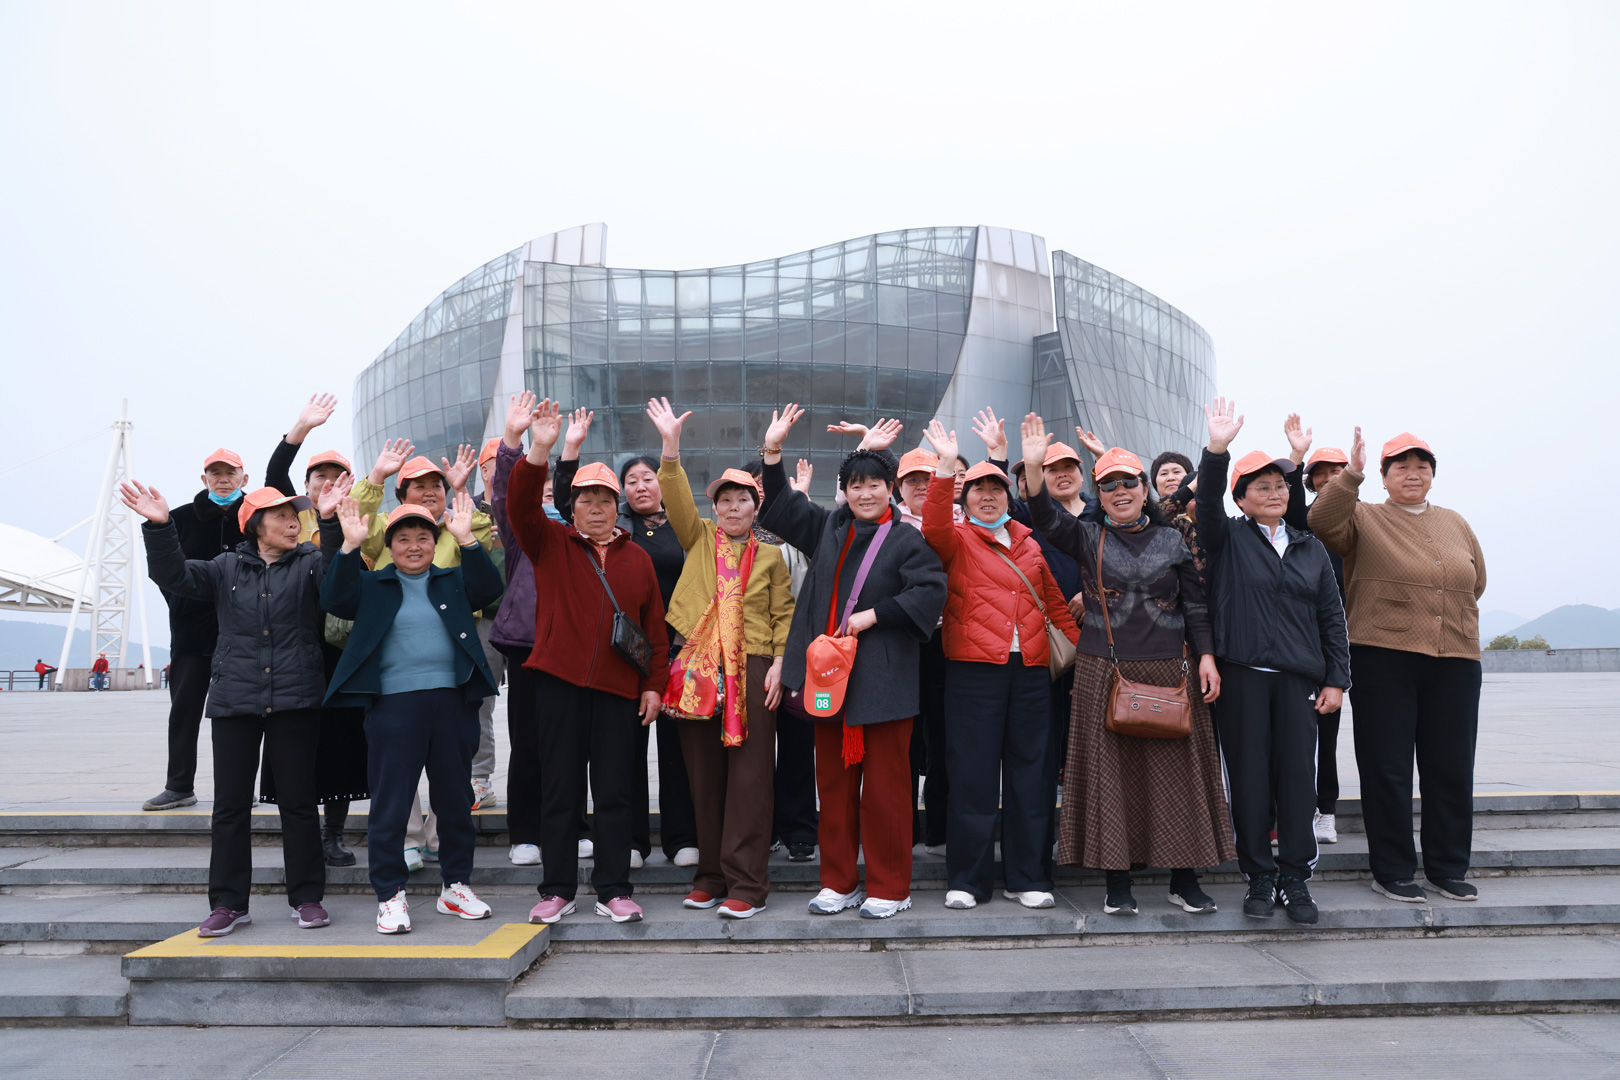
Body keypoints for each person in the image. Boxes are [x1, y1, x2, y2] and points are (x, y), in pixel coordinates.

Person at [1021, 414, 1233, 916]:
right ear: (1100, 492)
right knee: (1111, 779)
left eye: (1129, 482)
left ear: (1145, 489)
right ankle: (1118, 883)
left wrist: (1206, 657)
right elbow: (1045, 517)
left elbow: (1196, 607)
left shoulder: (1175, 540)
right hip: (1104, 671)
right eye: (1109, 484)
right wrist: (1032, 468)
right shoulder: (1086, 536)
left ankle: (1185, 879)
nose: (1120, 491)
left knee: (1178, 781)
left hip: (1170, 668)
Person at [124, 477, 341, 936]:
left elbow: (341, 583)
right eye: (281, 515)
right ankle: (228, 903)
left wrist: (330, 520)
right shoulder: (224, 568)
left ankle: (307, 898)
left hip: (296, 699)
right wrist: (161, 527)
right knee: (230, 807)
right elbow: (175, 576)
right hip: (234, 701)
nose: (291, 521)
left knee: (299, 804)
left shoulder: (311, 564)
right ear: (255, 524)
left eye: (294, 514)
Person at [759, 404, 947, 920]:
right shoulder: (828, 529)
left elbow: (932, 592)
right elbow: (779, 506)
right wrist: (772, 453)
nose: (866, 494)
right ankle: (838, 881)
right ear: (845, 490)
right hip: (830, 681)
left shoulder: (909, 538)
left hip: (884, 684)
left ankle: (891, 886)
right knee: (834, 788)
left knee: (887, 792)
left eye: (875, 484)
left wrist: (875, 616)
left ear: (890, 490)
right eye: (856, 485)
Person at [508, 400, 670, 926]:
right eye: (586, 499)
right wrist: (542, 448)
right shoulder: (550, 542)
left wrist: (654, 687)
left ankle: (614, 888)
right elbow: (519, 504)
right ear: (571, 506)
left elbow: (654, 632)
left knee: (617, 790)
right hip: (558, 684)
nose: (596, 507)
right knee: (560, 789)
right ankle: (556, 889)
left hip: (620, 688)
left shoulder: (637, 557)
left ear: (617, 505)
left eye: (605, 499)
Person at [1308, 428, 1487, 904]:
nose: (1414, 473)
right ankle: (1392, 869)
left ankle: (1448, 867)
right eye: (1401, 466)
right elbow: (1320, 521)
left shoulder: (1455, 521)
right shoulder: (1363, 516)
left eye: (1422, 465)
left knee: (1451, 767)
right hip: (1382, 656)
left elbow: (1477, 581)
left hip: (1456, 657)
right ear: (1384, 477)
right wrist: (1352, 474)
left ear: (1432, 474)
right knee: (1387, 768)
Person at [1194, 398, 1350, 925]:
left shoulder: (1310, 549)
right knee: (1249, 777)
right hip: (1241, 677)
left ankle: (1296, 878)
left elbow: (1332, 619)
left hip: (1296, 682)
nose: (1275, 492)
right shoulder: (1227, 539)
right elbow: (1208, 507)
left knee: (1297, 782)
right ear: (1242, 497)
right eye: (1261, 486)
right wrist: (1217, 450)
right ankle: (1259, 875)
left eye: (1282, 484)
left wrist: (1336, 679)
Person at [322, 491, 503, 934]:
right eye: (403, 539)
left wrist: (470, 542)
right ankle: (390, 895)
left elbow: (490, 590)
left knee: (455, 800)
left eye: (424, 537)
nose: (415, 546)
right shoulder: (373, 584)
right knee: (392, 802)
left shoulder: (452, 579)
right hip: (393, 706)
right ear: (389, 546)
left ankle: (455, 886)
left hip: (452, 703)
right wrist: (347, 547)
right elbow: (334, 598)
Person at [921, 421, 1080, 910]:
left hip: (1030, 672)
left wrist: (1084, 661)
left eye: (996, 490)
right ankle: (967, 881)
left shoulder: (1030, 543)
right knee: (972, 774)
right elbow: (932, 525)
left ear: (1009, 496)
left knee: (1032, 776)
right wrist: (947, 466)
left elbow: (1055, 607)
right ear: (965, 498)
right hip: (973, 672)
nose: (987, 497)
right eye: (978, 491)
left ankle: (1027, 877)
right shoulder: (956, 540)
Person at [649, 398, 795, 919]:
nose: (733, 509)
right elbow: (675, 497)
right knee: (703, 777)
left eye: (743, 501)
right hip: (698, 669)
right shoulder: (699, 539)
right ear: (715, 509)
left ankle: (747, 885)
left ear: (757, 507)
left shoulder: (772, 554)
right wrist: (671, 447)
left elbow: (785, 615)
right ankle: (709, 875)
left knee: (752, 778)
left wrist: (780, 664)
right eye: (725, 501)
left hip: (754, 668)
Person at [555, 437, 699, 870]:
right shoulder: (614, 531)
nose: (640, 486)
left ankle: (682, 837)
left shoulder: (686, 527)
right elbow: (571, 506)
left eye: (648, 478)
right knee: (624, 751)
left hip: (675, 648)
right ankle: (632, 840)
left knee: (678, 749)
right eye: (631, 480)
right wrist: (567, 454)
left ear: (662, 484)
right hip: (622, 654)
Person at [353, 440, 494, 870]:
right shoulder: (383, 530)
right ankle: (409, 838)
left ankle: (439, 840)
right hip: (395, 664)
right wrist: (376, 477)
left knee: (451, 763)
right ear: (400, 496)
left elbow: (483, 551)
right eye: (418, 486)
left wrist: (461, 493)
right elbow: (356, 522)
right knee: (398, 767)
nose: (430, 491)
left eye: (436, 485)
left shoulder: (456, 524)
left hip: (451, 660)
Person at [261, 394, 366, 868]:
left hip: (339, 648)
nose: (326, 482)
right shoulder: (292, 518)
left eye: (336, 476)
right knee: (295, 742)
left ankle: (333, 834)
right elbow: (271, 477)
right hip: (291, 647)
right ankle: (300, 833)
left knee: (340, 742)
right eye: (318, 475)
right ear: (305, 484)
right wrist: (300, 428)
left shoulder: (354, 520)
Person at [142, 448, 252, 811]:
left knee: (241, 715)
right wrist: (181, 605)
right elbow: (164, 570)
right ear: (203, 479)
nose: (223, 479)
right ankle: (179, 786)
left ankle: (238, 789)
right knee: (185, 711)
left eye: (230, 472)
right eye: (215, 473)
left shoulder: (258, 517)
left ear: (244, 478)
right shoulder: (179, 518)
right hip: (191, 634)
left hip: (244, 634)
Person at [1296, 444, 1351, 843]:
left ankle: (1326, 808)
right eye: (1320, 473)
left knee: (1341, 733)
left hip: (1356, 638)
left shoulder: (1369, 518)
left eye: (1337, 471)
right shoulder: (1306, 523)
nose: (1328, 478)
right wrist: (1296, 456)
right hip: (1312, 641)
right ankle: (1314, 809)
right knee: (1312, 732)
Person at [470, 436, 508, 813]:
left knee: (536, 707)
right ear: (484, 470)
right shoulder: (467, 510)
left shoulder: (529, 508)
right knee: (478, 702)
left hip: (530, 619)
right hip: (486, 619)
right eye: (501, 461)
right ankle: (480, 778)